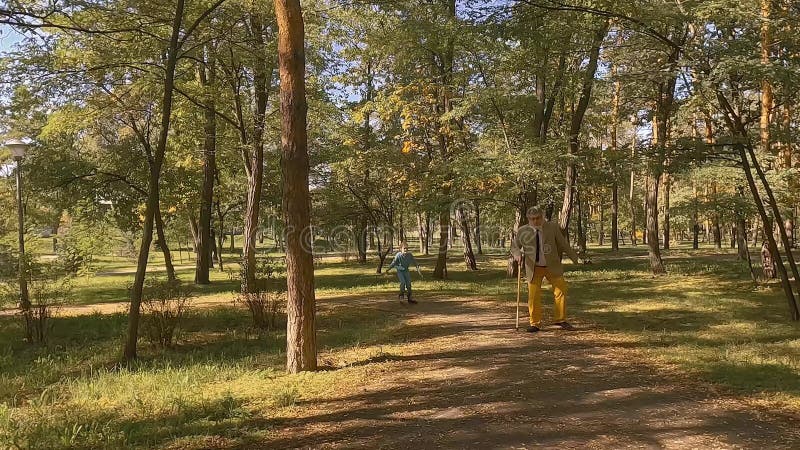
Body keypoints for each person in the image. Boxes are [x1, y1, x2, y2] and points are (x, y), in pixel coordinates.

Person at [511, 206, 584, 332]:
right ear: (528, 219)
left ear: (542, 216)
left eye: (538, 218)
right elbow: (514, 246)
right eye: (532, 219)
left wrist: (576, 259)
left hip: (552, 266)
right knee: (533, 296)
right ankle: (535, 323)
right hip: (533, 268)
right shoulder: (523, 231)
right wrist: (517, 254)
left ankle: (561, 320)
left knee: (560, 291)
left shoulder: (552, 227)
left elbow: (563, 244)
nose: (535, 221)